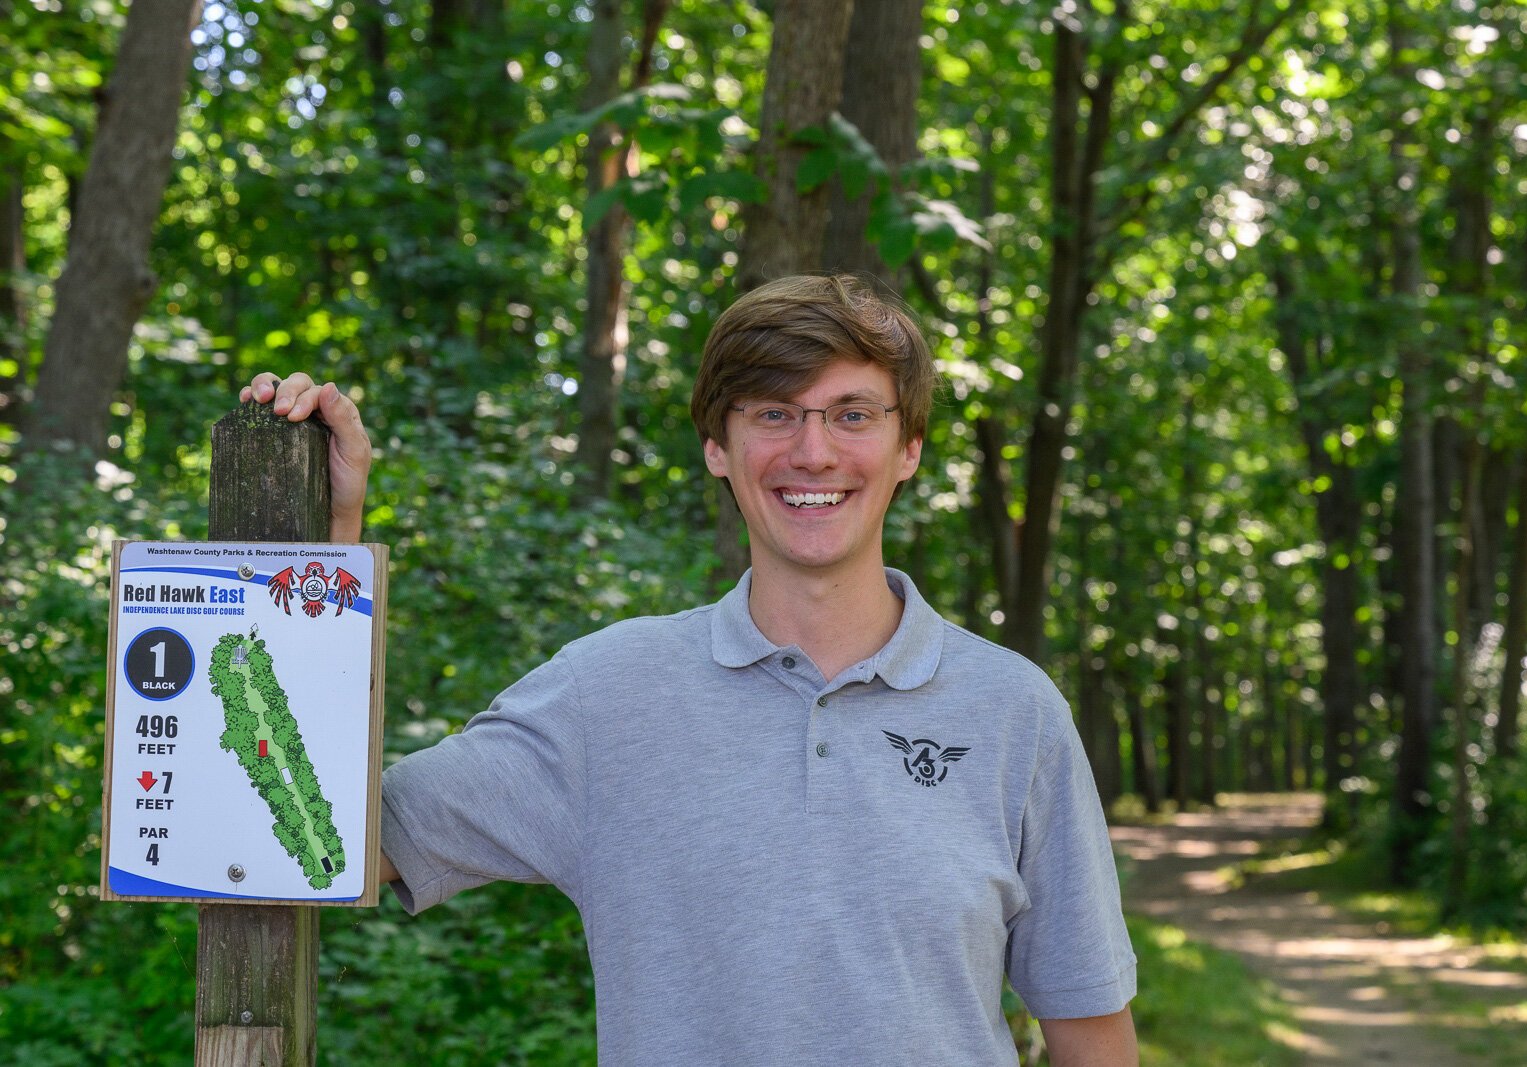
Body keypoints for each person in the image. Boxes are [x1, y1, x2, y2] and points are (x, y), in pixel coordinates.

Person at [243, 274, 1138, 1066]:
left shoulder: (1014, 709)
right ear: (718, 446)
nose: (814, 452)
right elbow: (328, 843)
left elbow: (1092, 1030)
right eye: (774, 413)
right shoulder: (604, 697)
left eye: (853, 414)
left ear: (909, 449)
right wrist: (330, 561)